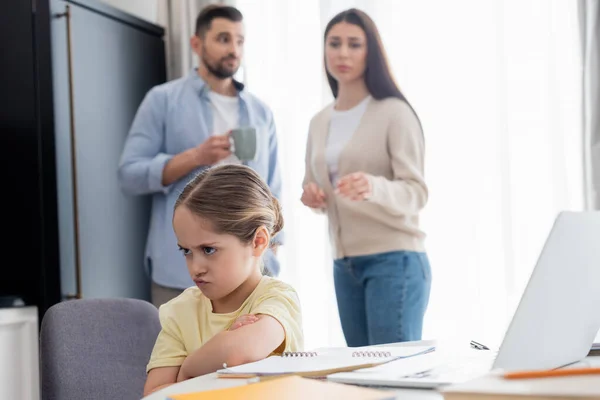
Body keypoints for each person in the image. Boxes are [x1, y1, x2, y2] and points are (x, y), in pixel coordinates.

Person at [118, 5, 284, 308]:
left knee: (251, 355)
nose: (233, 49)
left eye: (239, 41)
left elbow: (273, 188)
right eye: (223, 39)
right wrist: (196, 156)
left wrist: (272, 252)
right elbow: (129, 174)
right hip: (182, 273)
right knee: (178, 355)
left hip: (250, 272)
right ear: (197, 44)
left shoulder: (261, 112)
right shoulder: (163, 100)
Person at [301, 8, 431, 346]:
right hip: (344, 265)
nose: (343, 53)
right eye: (334, 43)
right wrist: (312, 196)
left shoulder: (394, 113)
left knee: (393, 377)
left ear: (370, 51)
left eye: (354, 44)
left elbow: (416, 192)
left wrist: (373, 187)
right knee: (362, 380)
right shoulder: (319, 122)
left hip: (395, 260)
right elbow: (313, 185)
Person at [143, 164, 303, 395]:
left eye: (208, 250)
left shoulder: (277, 298)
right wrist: (219, 349)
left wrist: (188, 370)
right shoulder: (179, 311)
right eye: (186, 251)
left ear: (258, 241)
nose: (195, 268)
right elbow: (153, 394)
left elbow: (238, 353)